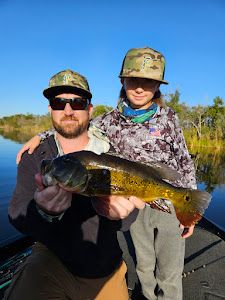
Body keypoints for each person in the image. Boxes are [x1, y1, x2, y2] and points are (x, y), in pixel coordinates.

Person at [16, 47, 197, 300]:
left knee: (169, 270)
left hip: (166, 199)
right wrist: (40, 135)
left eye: (149, 81)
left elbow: (184, 159)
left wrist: (188, 205)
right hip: (132, 202)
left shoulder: (169, 118)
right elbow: (74, 123)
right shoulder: (107, 120)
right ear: (123, 81)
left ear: (158, 86)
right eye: (134, 79)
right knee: (143, 266)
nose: (140, 87)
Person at [5, 69, 145, 300]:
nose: (68, 110)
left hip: (104, 266)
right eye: (59, 103)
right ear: (50, 109)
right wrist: (43, 212)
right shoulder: (35, 155)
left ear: (89, 109)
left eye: (77, 102)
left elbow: (128, 219)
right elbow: (16, 212)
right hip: (50, 259)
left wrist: (119, 216)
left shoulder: (113, 156)